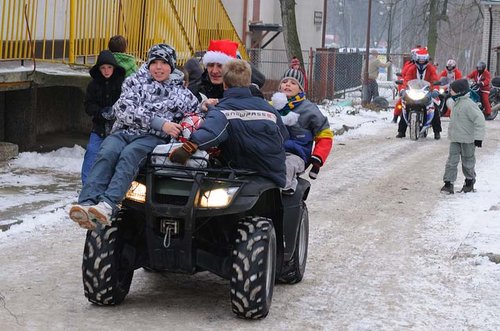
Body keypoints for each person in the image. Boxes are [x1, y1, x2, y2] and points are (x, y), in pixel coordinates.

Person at [69, 44, 199, 230]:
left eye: (164, 63)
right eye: (154, 62)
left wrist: (204, 108)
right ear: (148, 64)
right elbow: (123, 109)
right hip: (124, 131)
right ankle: (87, 202)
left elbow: (194, 113)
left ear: (172, 66)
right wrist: (161, 123)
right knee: (107, 151)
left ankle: (107, 204)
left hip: (151, 138)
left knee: (130, 155)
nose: (159, 67)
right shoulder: (134, 82)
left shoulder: (181, 93)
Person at [168, 59, 288, 187]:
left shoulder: (222, 110)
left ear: (224, 84)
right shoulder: (268, 108)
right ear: (248, 82)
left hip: (243, 172)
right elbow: (284, 136)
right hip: (273, 172)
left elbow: (211, 133)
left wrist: (185, 150)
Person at [273, 68, 333, 194]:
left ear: (301, 89)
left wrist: (318, 158)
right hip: (272, 151)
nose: (288, 84)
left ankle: (286, 190)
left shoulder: (309, 109)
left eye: (293, 83)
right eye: (285, 82)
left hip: (296, 154)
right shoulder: (271, 106)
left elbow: (325, 135)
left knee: (286, 167)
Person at [81, 50, 125, 185]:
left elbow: (127, 103)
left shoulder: (122, 84)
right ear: (99, 69)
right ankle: (87, 186)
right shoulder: (93, 85)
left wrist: (115, 113)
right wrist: (101, 113)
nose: (106, 71)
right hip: (99, 128)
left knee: (116, 157)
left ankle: (112, 187)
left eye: (109, 67)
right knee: (91, 154)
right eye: (103, 68)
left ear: (114, 68)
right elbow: (88, 105)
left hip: (118, 129)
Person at [440, 79, 485, 194]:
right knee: (451, 161)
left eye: (452, 90)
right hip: (455, 138)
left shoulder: (469, 105)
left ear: (460, 92)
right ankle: (448, 183)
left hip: (468, 140)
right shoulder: (456, 102)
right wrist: (445, 98)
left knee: (468, 161)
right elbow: (451, 104)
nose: (451, 91)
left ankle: (469, 181)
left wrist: (478, 138)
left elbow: (479, 120)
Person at [186, 39, 265, 102]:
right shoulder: (196, 91)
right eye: (210, 65)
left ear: (232, 68)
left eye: (220, 66)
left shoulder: (250, 93)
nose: (214, 71)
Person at [396, 47, 442, 139]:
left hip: (427, 92)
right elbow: (406, 80)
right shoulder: (412, 68)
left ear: (426, 60)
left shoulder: (431, 69)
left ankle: (437, 131)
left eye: (423, 60)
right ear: (416, 59)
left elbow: (434, 79)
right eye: (419, 60)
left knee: (434, 108)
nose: (421, 62)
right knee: (405, 107)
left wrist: (436, 90)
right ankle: (401, 131)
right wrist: (403, 90)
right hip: (414, 91)